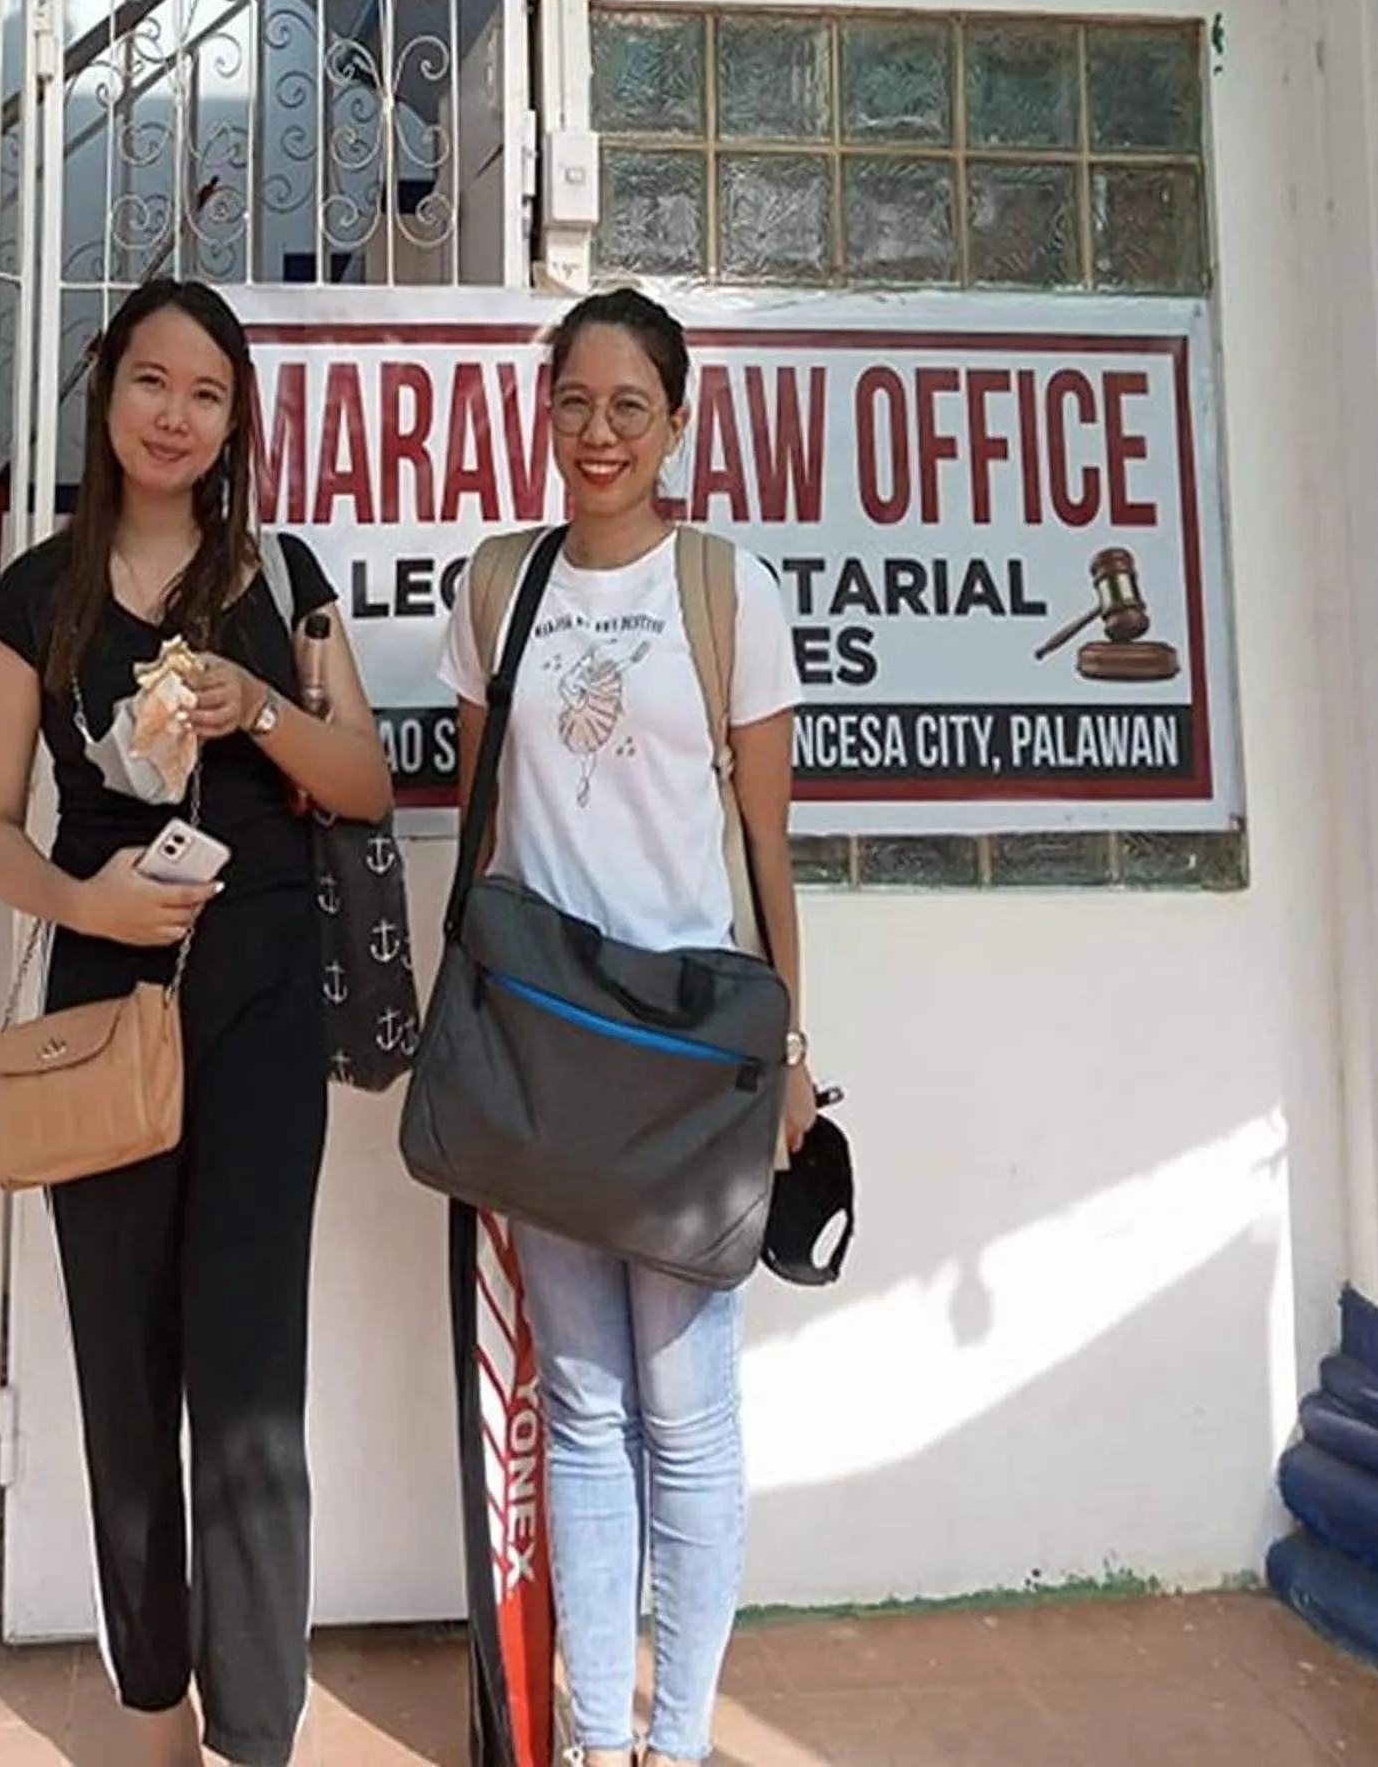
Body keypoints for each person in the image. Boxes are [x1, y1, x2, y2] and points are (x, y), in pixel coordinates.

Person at [0, 278, 390, 1767]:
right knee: (124, 1365)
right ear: (108, 393)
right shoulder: (36, 593)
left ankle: (255, 1732)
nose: (174, 415)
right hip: (106, 1001)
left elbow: (367, 784)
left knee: (252, 1380)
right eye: (153, 382)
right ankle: (154, 1712)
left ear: (234, 423)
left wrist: (257, 710)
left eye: (207, 395)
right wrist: (91, 911)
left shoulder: (282, 575)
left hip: (266, 995)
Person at [438, 285, 811, 1767]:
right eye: (573, 404)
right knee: (583, 1405)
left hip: (685, 1060)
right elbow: (482, 834)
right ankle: (600, 1738)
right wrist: (461, 1041)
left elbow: (771, 854)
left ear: (675, 423)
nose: (598, 436)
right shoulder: (494, 587)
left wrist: (786, 1058)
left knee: (687, 1410)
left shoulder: (726, 592)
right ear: (547, 413)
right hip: (540, 1046)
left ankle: (681, 1740)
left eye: (628, 409)